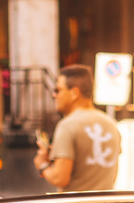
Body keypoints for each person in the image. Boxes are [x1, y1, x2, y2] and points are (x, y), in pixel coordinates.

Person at [34, 64, 121, 192]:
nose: (54, 95)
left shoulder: (67, 125)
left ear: (75, 93)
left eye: (58, 90)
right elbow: (110, 176)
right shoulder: (111, 124)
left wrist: (42, 164)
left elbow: (60, 178)